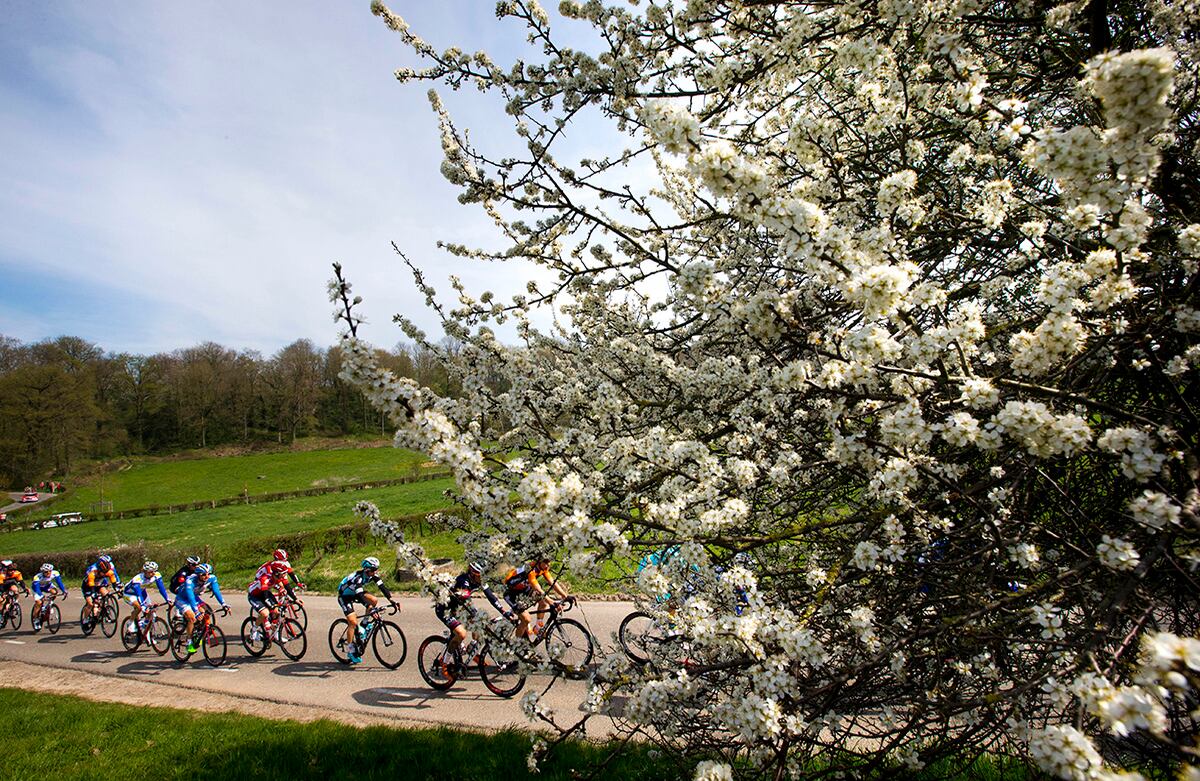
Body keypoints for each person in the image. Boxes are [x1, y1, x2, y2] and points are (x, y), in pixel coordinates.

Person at [437, 562, 514, 660]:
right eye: (481, 576)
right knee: (461, 634)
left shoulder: (479, 581)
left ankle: (471, 650)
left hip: (461, 607)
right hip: (445, 609)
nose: (483, 579)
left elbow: (491, 598)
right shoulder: (463, 581)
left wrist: (503, 611)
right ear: (473, 574)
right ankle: (445, 661)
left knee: (480, 628)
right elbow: (465, 598)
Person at [336, 557, 397, 664]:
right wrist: (368, 607)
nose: (375, 572)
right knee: (353, 622)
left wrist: (391, 600)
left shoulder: (372, 575)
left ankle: (364, 626)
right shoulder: (357, 578)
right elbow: (360, 595)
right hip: (345, 596)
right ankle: (350, 651)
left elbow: (382, 587)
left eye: (376, 569)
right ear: (366, 570)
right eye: (373, 570)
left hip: (355, 593)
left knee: (374, 600)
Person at [503, 555, 569, 642]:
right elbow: (537, 588)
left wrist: (565, 596)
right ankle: (517, 644)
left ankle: (538, 627)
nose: (547, 566)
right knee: (526, 619)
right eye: (545, 563)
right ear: (539, 561)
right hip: (512, 593)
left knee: (543, 603)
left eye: (549, 563)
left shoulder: (543, 568)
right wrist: (552, 602)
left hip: (525, 590)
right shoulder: (530, 569)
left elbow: (552, 583)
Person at [175, 563, 229, 654]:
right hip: (183, 599)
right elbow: (191, 598)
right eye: (203, 574)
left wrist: (224, 604)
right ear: (198, 575)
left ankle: (198, 633)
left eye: (208, 573)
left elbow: (216, 591)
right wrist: (196, 611)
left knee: (206, 613)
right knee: (192, 618)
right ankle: (189, 642)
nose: (206, 576)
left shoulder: (212, 578)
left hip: (195, 598)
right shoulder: (190, 581)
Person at [247, 550, 301, 640]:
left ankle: (275, 634)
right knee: (265, 613)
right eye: (281, 575)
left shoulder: (277, 576)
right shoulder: (265, 578)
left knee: (277, 612)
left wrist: (295, 599)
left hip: (265, 591)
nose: (283, 577)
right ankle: (254, 631)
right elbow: (265, 597)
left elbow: (286, 586)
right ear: (276, 574)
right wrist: (273, 606)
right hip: (255, 595)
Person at [121, 561, 171, 631]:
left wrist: (167, 599)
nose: (153, 573)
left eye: (154, 571)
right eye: (151, 572)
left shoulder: (156, 575)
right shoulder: (138, 579)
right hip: (129, 594)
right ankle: (130, 622)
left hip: (142, 592)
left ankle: (145, 625)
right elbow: (139, 595)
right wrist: (143, 606)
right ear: (145, 572)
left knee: (152, 609)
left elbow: (161, 589)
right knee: (139, 607)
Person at [82, 555, 121, 623]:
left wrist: (117, 589)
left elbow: (113, 580)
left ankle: (102, 610)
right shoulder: (92, 570)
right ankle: (85, 619)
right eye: (103, 572)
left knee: (106, 595)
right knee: (90, 604)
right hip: (88, 586)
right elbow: (91, 583)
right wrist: (93, 593)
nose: (105, 573)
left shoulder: (109, 569)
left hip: (99, 584)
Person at [30, 563, 67, 630]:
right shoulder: (37, 577)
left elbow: (59, 582)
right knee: (38, 602)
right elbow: (37, 588)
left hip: (47, 586)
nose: (48, 573)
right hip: (37, 588)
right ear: (43, 572)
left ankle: (50, 604)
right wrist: (41, 596)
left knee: (54, 592)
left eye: (50, 571)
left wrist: (64, 591)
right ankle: (36, 620)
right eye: (46, 572)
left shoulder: (55, 573)